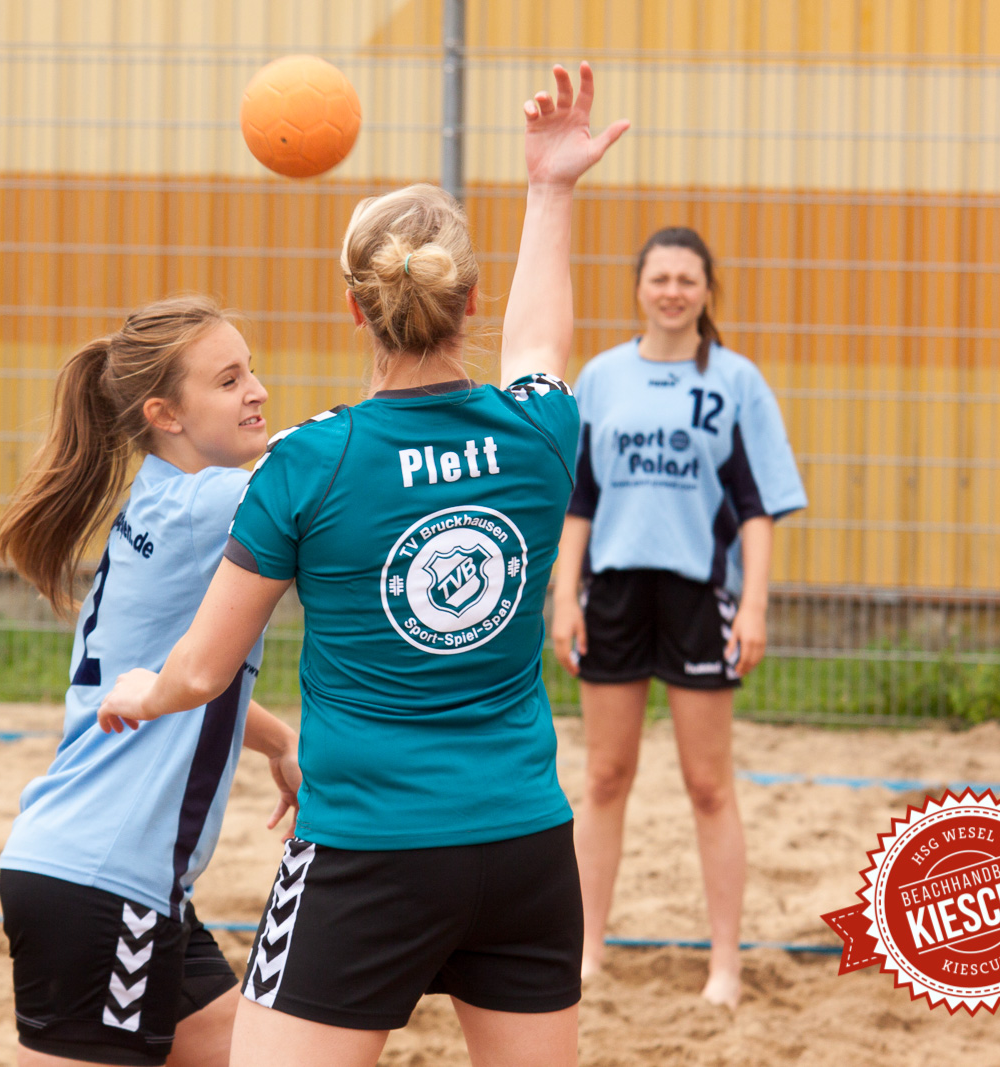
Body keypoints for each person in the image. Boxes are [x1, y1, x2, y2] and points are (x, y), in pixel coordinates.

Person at [97, 64, 629, 1067]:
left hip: (366, 851)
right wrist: (551, 188)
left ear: (355, 310)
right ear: (466, 298)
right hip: (522, 843)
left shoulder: (307, 462)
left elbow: (203, 669)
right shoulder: (540, 431)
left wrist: (143, 687)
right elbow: (543, 343)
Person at [0, 296, 303, 1067]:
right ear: (164, 412)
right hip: (105, 881)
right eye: (229, 380)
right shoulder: (212, 505)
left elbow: (182, 677)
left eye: (251, 369)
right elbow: (318, 456)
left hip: (123, 882)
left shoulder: (166, 502)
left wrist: (277, 739)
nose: (257, 390)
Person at [548, 227, 807, 1007]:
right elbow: (580, 498)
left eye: (685, 278)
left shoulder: (735, 381)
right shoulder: (601, 377)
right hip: (616, 593)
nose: (671, 290)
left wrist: (753, 605)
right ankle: (589, 948)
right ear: (638, 286)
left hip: (701, 594)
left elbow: (759, 509)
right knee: (602, 775)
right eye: (658, 276)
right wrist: (565, 595)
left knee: (707, 784)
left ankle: (724, 962)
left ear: (705, 289)